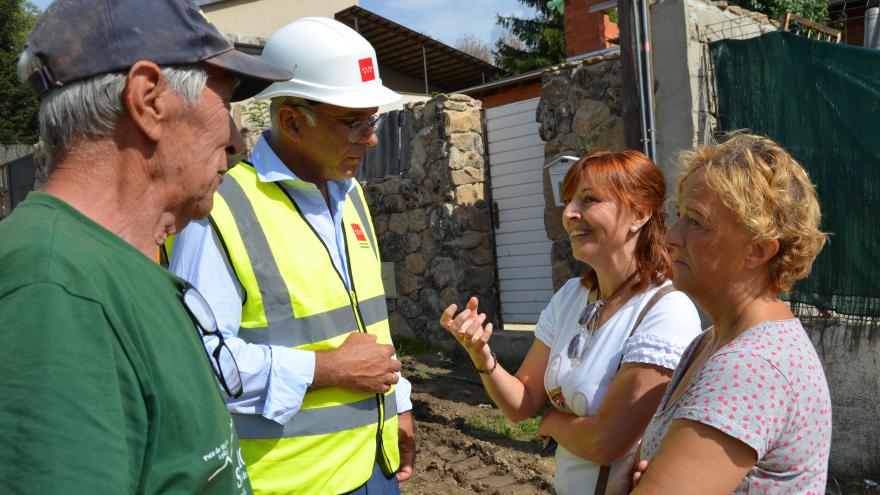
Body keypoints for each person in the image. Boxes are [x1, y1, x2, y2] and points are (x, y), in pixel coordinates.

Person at [0, 0, 292, 493]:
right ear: (149, 100)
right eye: (226, 105)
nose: (238, 142)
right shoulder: (53, 293)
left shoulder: (104, 266)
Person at [169, 17, 415, 495]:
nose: (371, 138)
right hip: (290, 484)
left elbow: (365, 329)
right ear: (291, 121)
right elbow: (198, 365)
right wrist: (326, 370)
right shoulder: (218, 211)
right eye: (354, 123)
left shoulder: (350, 195)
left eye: (373, 120)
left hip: (374, 467)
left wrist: (398, 404)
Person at [440, 150, 702, 494]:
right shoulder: (571, 297)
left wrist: (551, 422)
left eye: (589, 200)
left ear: (638, 214)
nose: (569, 214)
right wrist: (481, 355)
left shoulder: (665, 311)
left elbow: (607, 443)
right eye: (568, 201)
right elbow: (522, 404)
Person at [632, 134, 831, 494]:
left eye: (695, 222)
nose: (670, 236)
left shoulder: (751, 367)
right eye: (679, 216)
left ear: (757, 250)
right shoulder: (710, 341)